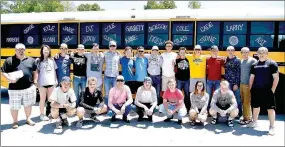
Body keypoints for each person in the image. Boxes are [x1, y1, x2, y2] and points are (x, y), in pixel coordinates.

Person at [1, 43, 38, 129]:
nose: (20, 51)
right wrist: (10, 79)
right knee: (14, 106)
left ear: (25, 50)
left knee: (28, 105)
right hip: (14, 89)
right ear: (15, 50)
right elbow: (3, 72)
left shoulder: (31, 60)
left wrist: (35, 80)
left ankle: (28, 119)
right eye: (18, 49)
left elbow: (35, 71)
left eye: (22, 49)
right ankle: (15, 121)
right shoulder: (9, 60)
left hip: (28, 87)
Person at [247, 47, 279, 136]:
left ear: (267, 53)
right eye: (259, 52)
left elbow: (276, 77)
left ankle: (272, 127)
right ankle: (254, 122)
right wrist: (251, 87)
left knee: (270, 109)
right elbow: (252, 77)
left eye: (263, 52)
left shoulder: (272, 63)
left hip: (268, 90)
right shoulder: (254, 64)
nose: (261, 54)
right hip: (256, 89)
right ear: (257, 54)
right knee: (255, 107)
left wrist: (272, 90)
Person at [36, 45, 58, 121]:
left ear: (49, 51)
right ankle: (42, 114)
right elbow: (36, 72)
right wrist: (36, 81)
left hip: (51, 83)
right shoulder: (38, 60)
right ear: (42, 51)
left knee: (50, 100)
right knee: (42, 100)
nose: (46, 51)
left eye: (47, 50)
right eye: (44, 50)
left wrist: (56, 80)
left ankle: (50, 113)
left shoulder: (52, 60)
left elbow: (54, 71)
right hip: (42, 83)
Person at [239, 47, 257, 125]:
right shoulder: (241, 61)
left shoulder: (253, 60)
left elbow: (256, 72)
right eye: (243, 52)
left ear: (249, 52)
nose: (245, 53)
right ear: (241, 53)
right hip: (241, 84)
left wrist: (251, 84)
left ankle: (247, 119)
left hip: (247, 84)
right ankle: (246, 116)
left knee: (247, 102)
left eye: (246, 52)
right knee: (243, 101)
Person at [224, 46, 242, 117]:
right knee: (228, 99)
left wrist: (236, 84)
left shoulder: (237, 60)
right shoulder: (226, 60)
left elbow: (239, 72)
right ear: (227, 51)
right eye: (229, 50)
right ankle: (230, 114)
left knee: (237, 99)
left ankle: (240, 114)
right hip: (228, 83)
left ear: (234, 51)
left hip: (234, 83)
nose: (230, 52)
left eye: (232, 50)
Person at [206, 45, 224, 110]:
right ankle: (207, 110)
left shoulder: (221, 59)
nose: (214, 52)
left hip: (218, 81)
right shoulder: (207, 59)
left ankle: (216, 110)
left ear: (218, 51)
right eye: (213, 50)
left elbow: (225, 67)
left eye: (215, 50)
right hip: (209, 81)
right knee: (208, 96)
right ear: (210, 51)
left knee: (216, 96)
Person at [104, 41, 121, 105]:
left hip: (115, 77)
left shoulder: (118, 55)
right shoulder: (105, 54)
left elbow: (126, 58)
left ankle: (114, 107)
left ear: (116, 47)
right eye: (111, 46)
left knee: (115, 93)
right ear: (109, 47)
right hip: (107, 76)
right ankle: (106, 108)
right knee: (107, 94)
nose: (112, 47)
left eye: (114, 46)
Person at [175, 47, 190, 112]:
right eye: (181, 52)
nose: (182, 53)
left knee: (187, 94)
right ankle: (178, 108)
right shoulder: (176, 60)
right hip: (179, 80)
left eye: (184, 52)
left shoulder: (188, 59)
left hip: (187, 80)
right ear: (179, 53)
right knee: (178, 94)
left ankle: (187, 107)